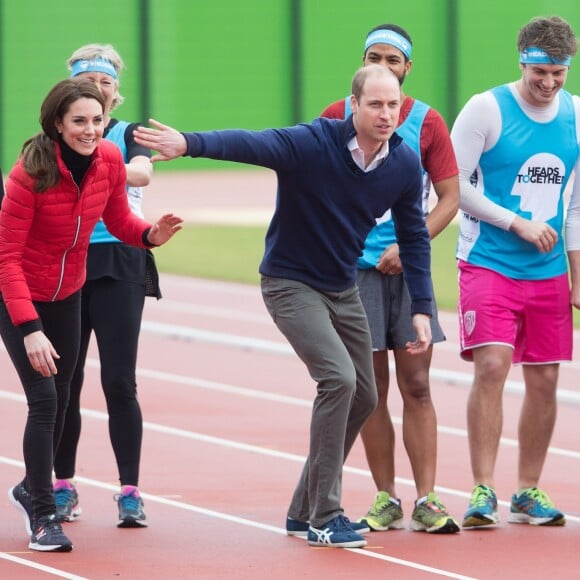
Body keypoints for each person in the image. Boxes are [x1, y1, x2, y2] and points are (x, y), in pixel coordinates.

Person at [133, 64, 434, 549]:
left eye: (393, 105)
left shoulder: (402, 163)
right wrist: (188, 143)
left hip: (342, 287)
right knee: (338, 379)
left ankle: (301, 510)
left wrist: (422, 304)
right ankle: (325, 515)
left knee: (365, 397)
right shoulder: (312, 143)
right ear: (352, 105)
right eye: (374, 104)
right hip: (289, 283)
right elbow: (250, 143)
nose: (385, 114)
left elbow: (414, 235)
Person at [0, 77, 182, 552]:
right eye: (79, 121)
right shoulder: (29, 173)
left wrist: (148, 236)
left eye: (97, 120)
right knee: (43, 400)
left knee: (60, 398)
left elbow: (118, 218)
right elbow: (6, 259)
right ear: (57, 123)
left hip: (68, 293)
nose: (90, 129)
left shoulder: (109, 160)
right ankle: (42, 513)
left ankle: (30, 488)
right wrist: (30, 329)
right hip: (21, 296)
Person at [321, 23, 460, 534]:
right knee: (369, 388)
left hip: (408, 270)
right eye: (373, 57)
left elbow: (449, 197)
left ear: (407, 68)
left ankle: (427, 498)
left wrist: (411, 243)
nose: (384, 65)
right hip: (351, 272)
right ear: (361, 66)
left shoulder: (426, 122)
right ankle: (385, 497)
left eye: (393, 59)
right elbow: (316, 183)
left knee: (417, 384)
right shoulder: (337, 116)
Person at [450, 15, 580, 528]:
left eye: (559, 73)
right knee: (493, 367)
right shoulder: (486, 109)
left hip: (548, 273)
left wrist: (576, 275)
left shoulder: (575, 116)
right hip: (488, 262)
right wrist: (516, 223)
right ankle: (483, 489)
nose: (548, 83)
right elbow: (452, 185)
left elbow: (575, 208)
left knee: (545, 379)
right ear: (521, 60)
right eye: (539, 72)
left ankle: (527, 490)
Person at [52, 43, 156, 529]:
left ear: (116, 92)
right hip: (66, 263)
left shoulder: (126, 135)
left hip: (119, 260)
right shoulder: (57, 135)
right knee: (63, 383)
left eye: (105, 82)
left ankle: (130, 492)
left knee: (118, 380)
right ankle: (61, 485)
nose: (97, 88)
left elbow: (143, 173)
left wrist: (99, 160)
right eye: (87, 81)